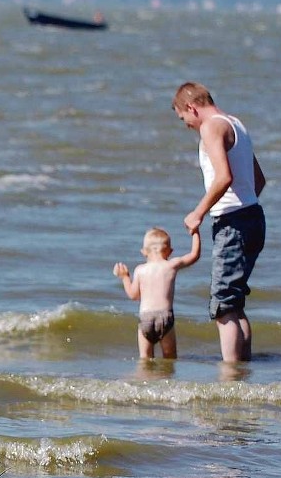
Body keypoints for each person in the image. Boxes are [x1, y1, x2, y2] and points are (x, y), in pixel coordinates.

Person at [172, 82, 266, 363]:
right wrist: (243, 206)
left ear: (191, 107)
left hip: (233, 223)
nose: (186, 125)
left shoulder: (211, 127)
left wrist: (198, 212)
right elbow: (258, 179)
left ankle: (230, 378)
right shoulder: (236, 123)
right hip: (253, 217)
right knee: (234, 304)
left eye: (183, 118)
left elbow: (223, 177)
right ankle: (243, 371)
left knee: (223, 307)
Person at [113, 227, 201, 359]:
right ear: (170, 251)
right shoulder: (171, 265)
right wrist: (195, 232)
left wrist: (125, 277)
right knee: (170, 357)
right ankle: (167, 378)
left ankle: (147, 379)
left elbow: (134, 295)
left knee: (145, 358)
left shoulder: (140, 270)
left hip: (145, 317)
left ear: (144, 252)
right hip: (165, 317)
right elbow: (194, 255)